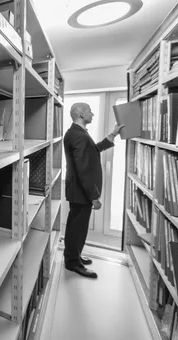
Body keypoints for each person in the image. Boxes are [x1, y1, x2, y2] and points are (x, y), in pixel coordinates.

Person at [63, 102, 123, 279]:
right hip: (81, 191)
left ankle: (73, 256)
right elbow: (84, 169)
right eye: (90, 111)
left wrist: (112, 135)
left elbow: (91, 151)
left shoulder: (76, 133)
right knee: (78, 228)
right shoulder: (79, 135)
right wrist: (94, 196)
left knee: (76, 226)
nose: (93, 114)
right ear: (81, 114)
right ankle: (73, 263)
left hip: (77, 190)